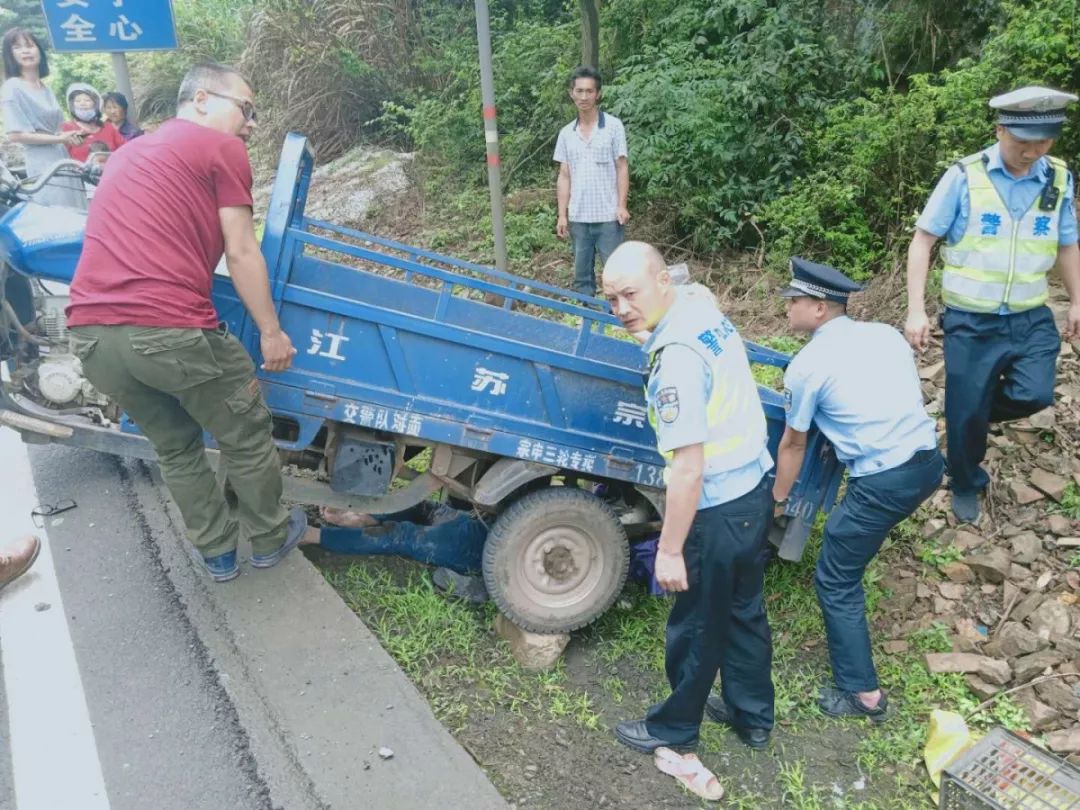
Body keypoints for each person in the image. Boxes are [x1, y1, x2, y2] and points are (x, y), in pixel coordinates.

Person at [65, 62, 305, 583]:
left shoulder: (129, 153)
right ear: (201, 99)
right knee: (245, 431)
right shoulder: (220, 149)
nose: (251, 124)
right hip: (165, 329)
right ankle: (268, 537)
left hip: (90, 336)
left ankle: (217, 554)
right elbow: (241, 250)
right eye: (246, 108)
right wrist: (270, 330)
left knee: (175, 445)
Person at [602, 241, 775, 754]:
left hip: (717, 507)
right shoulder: (699, 309)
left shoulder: (677, 360)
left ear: (662, 283)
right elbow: (694, 288)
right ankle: (753, 717)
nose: (621, 310)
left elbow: (689, 468)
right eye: (611, 300)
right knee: (744, 611)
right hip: (752, 494)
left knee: (696, 623)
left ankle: (674, 728)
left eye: (629, 294)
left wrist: (671, 549)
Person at [773, 258, 945, 722]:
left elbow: (793, 442)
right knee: (851, 545)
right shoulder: (886, 335)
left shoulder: (808, 365)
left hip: (884, 478)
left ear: (821, 309)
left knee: (836, 576)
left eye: (795, 301)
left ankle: (862, 694)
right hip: (928, 463)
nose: (787, 307)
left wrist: (777, 499)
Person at [905, 86, 1080, 524]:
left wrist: (1077, 300)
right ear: (1000, 130)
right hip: (972, 320)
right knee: (965, 413)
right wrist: (916, 309)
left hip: (1030, 315)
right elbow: (923, 240)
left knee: (1034, 392)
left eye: (1043, 141)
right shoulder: (965, 176)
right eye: (1023, 141)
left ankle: (971, 414)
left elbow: (1067, 244)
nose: (1033, 151)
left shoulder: (1058, 177)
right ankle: (965, 480)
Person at [554, 66, 629, 298]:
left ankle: (618, 319)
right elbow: (564, 175)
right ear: (571, 94)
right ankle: (585, 317)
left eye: (589, 91)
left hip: (608, 216)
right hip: (578, 216)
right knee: (582, 276)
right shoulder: (567, 133)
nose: (584, 97)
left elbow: (622, 166)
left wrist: (622, 205)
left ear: (598, 94)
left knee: (616, 273)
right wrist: (562, 214)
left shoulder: (614, 127)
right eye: (579, 91)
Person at [0, 27, 85, 208]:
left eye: (30, 45)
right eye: (18, 47)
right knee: (59, 214)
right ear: (10, 55)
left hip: (62, 159)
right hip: (42, 164)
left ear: (39, 50)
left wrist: (70, 137)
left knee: (77, 211)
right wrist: (60, 138)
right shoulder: (12, 87)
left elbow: (57, 131)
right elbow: (16, 135)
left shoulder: (44, 87)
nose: (26, 50)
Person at [61, 83, 123, 162]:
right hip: (79, 173)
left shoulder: (108, 127)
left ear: (96, 104)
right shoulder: (67, 128)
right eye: (78, 101)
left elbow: (125, 150)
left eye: (87, 100)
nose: (82, 104)